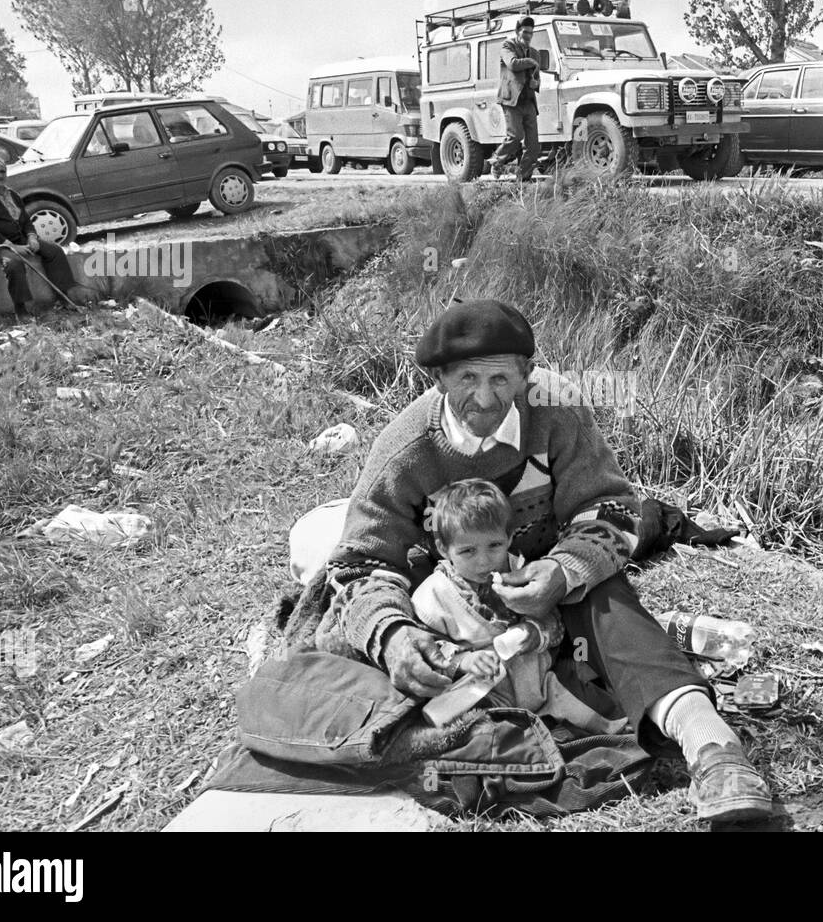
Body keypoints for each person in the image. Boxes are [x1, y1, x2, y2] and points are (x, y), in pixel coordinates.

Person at [320, 299, 773, 823]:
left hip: (551, 575)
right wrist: (394, 635)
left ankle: (717, 752)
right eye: (467, 378)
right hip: (449, 598)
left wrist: (564, 571)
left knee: (610, 607)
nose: (485, 399)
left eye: (501, 379)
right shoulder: (405, 450)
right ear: (439, 378)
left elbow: (611, 508)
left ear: (527, 374)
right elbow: (357, 561)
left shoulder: (557, 409)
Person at [411, 478, 625, 733]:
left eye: (494, 546)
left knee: (591, 704)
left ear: (509, 537)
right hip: (483, 695)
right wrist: (464, 661)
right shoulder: (435, 595)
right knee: (478, 733)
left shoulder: (521, 573)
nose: (484, 562)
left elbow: (553, 620)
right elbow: (424, 647)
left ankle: (621, 730)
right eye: (467, 551)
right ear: (443, 549)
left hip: (540, 681)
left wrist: (535, 632)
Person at [0, 157, 80, 317]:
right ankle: (21, 310)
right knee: (13, 263)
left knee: (55, 251)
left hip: (19, 238)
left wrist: (32, 237)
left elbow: (26, 221)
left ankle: (63, 298)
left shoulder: (11, 194)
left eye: (2, 171)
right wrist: (11, 246)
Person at [489, 16, 543, 183]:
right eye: (525, 32)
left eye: (531, 33)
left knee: (533, 146)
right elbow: (512, 64)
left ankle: (523, 178)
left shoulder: (534, 53)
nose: (528, 36)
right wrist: (531, 61)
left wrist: (536, 83)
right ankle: (497, 161)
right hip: (511, 101)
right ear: (517, 32)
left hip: (529, 103)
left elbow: (537, 78)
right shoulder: (507, 46)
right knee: (515, 137)